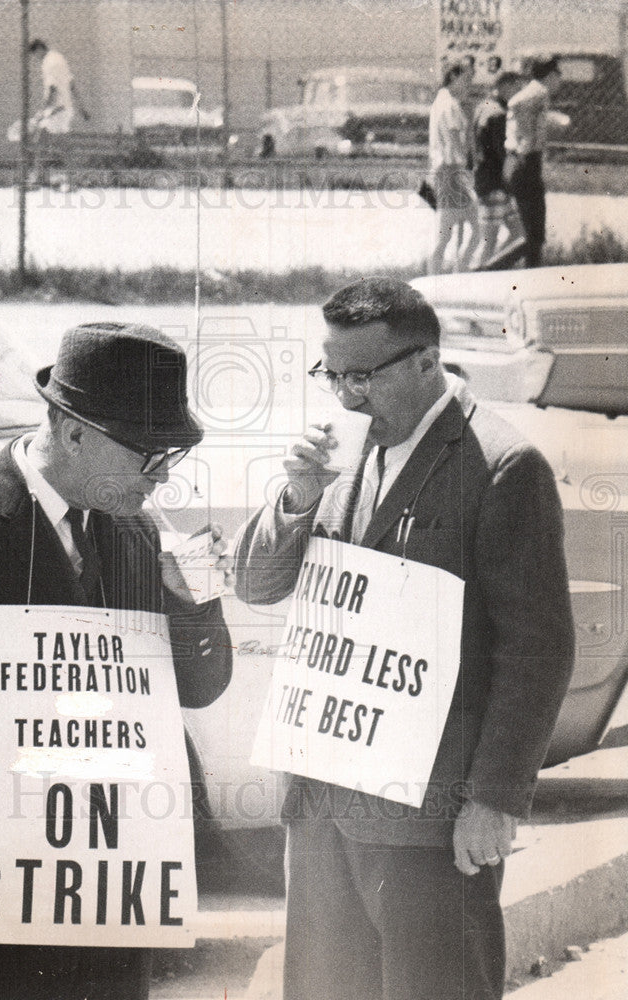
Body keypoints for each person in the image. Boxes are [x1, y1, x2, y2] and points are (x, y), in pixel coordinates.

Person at [0, 323, 234, 1000]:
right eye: (147, 456)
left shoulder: (135, 532)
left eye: (169, 457)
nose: (163, 476)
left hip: (109, 901)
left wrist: (197, 598)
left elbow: (200, 689)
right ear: (75, 432)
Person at [233, 277, 575, 1000]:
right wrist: (293, 500)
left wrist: (495, 798)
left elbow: (537, 649)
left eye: (363, 376)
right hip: (324, 808)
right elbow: (258, 586)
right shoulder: (342, 453)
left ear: (426, 363)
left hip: (430, 818)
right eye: (332, 374)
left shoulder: (503, 466)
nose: (346, 396)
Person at [504, 55, 569, 268]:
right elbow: (516, 103)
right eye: (558, 74)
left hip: (526, 164)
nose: (560, 80)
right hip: (527, 163)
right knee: (533, 235)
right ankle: (490, 269)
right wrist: (525, 139)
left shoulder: (539, 93)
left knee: (533, 235)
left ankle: (520, 271)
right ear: (550, 75)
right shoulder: (539, 92)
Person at [428, 61, 481, 273]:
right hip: (450, 171)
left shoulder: (444, 101)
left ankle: (458, 270)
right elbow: (453, 140)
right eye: (466, 79)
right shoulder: (448, 104)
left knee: (470, 228)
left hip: (446, 171)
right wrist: (466, 172)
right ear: (454, 78)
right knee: (450, 233)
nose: (469, 84)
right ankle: (441, 276)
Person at [471, 71, 526, 268]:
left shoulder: (483, 107)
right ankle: (482, 273)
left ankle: (494, 267)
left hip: (488, 181)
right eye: (516, 88)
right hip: (496, 183)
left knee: (520, 234)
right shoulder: (499, 114)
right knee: (491, 239)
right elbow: (503, 153)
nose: (518, 92)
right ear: (505, 86)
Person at [28, 38, 90, 135]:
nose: (37, 58)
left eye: (35, 54)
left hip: (56, 108)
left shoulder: (47, 63)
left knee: (42, 135)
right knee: (61, 140)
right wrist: (81, 108)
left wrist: (43, 111)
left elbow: (52, 89)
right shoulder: (59, 58)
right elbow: (71, 85)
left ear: (39, 49)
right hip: (67, 108)